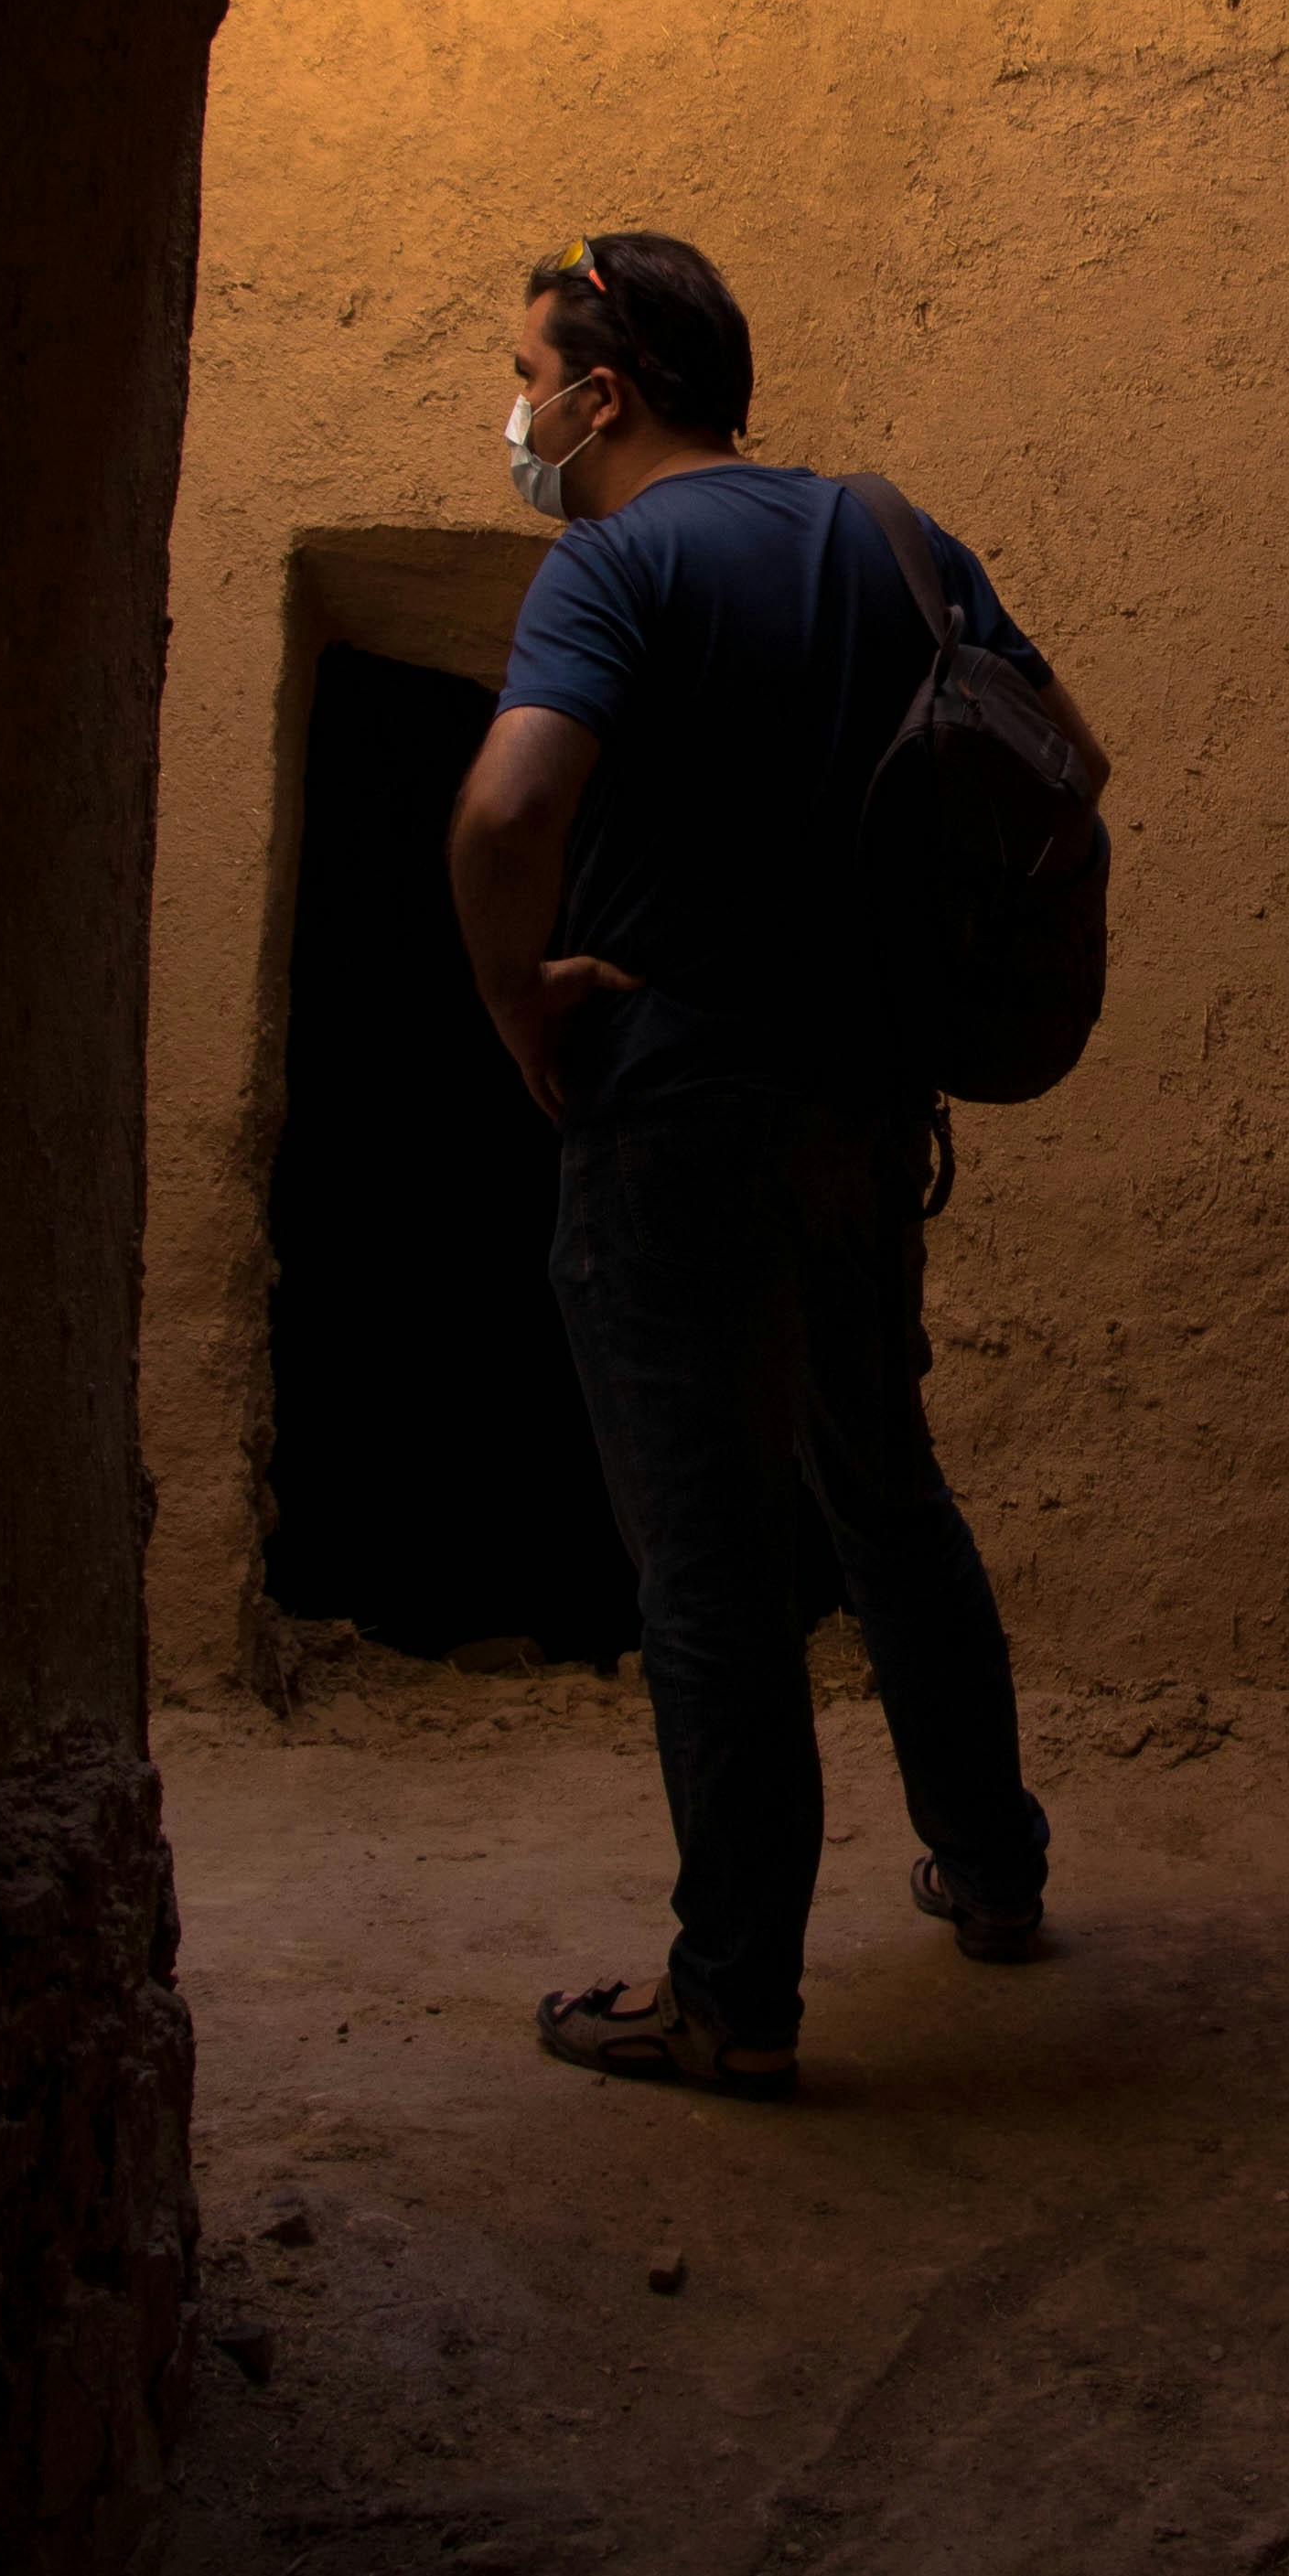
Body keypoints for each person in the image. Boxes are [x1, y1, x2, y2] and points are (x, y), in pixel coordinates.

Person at [452, 231, 1101, 2100]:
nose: (514, 414)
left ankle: (734, 1993)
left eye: (526, 374)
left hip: (670, 1115)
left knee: (712, 1559)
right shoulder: (892, 533)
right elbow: (1070, 758)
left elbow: (508, 809)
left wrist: (520, 1001)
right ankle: (990, 1865)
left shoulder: (612, 559)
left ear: (602, 392)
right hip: (863, 1110)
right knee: (881, 1483)